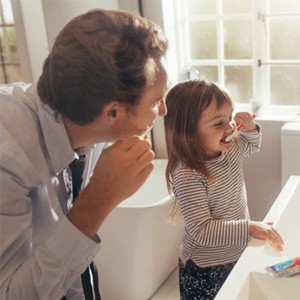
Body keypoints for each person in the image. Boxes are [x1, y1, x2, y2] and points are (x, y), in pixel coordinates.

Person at [0, 9, 168, 299]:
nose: (163, 110)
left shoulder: (87, 124)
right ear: (113, 112)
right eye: (156, 101)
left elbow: (68, 257)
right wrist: (98, 200)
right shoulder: (9, 158)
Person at [164, 79, 284, 300]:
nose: (230, 127)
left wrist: (251, 128)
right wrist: (249, 227)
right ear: (188, 132)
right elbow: (202, 230)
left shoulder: (229, 148)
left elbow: (251, 145)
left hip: (236, 252)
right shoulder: (188, 174)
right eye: (218, 123)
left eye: (230, 117)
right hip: (206, 268)